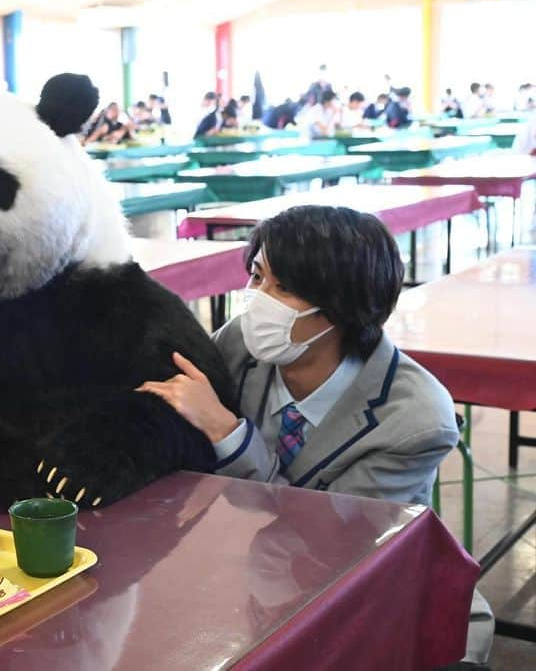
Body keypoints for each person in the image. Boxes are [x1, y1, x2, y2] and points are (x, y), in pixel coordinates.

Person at [136, 205, 493, 667]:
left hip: (360, 591)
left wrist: (229, 435)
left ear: (342, 307)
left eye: (283, 287)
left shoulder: (415, 420)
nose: (257, 299)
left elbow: (327, 540)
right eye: (257, 276)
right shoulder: (241, 347)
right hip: (250, 576)